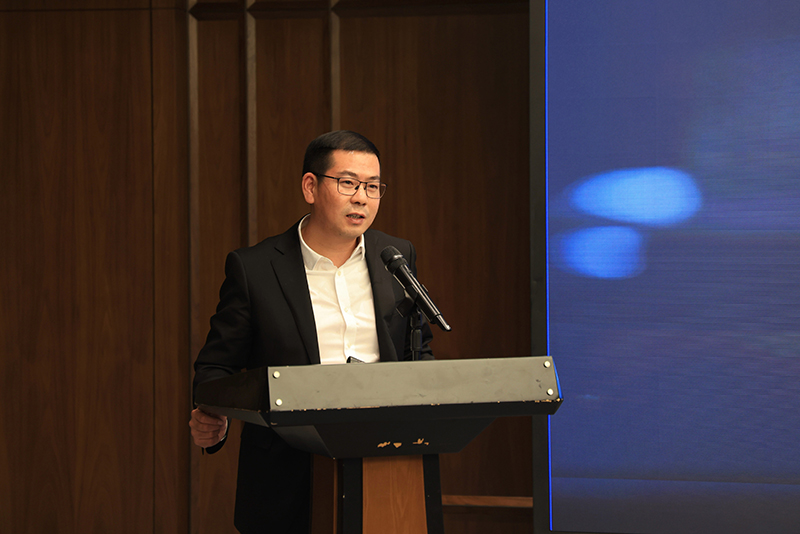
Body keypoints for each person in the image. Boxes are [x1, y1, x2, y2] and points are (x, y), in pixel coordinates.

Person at [189, 131, 434, 534]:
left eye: (373, 187)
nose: (362, 198)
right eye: (348, 183)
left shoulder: (395, 256)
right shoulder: (256, 269)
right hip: (286, 477)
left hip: (386, 468)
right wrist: (216, 419)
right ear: (310, 187)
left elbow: (417, 350)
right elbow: (216, 368)